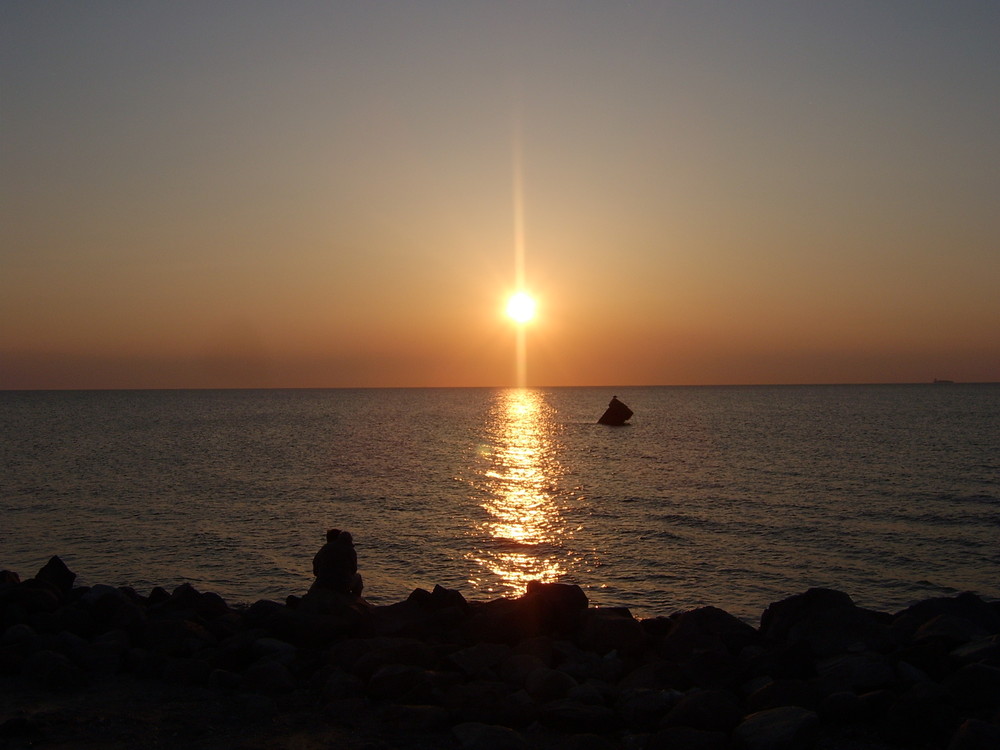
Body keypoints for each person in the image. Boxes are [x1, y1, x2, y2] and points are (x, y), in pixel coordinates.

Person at [312, 528, 364, 596]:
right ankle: (355, 600)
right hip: (342, 586)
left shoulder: (325, 548)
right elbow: (353, 570)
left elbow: (315, 569)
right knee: (358, 577)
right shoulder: (350, 550)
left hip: (324, 584)